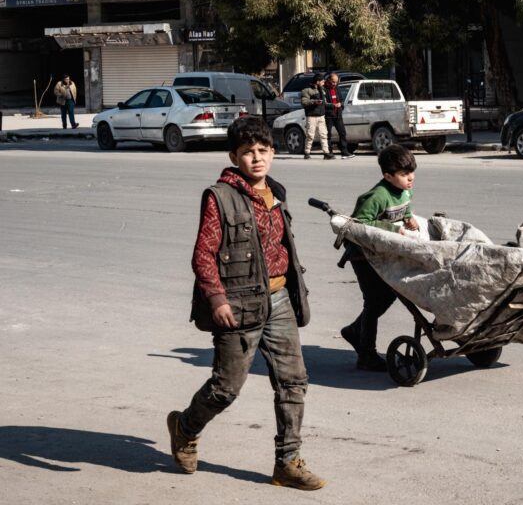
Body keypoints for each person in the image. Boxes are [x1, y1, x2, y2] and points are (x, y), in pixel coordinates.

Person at [167, 116, 325, 491]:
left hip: (280, 298)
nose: (257, 158)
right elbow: (203, 254)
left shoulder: (277, 192)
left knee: (293, 381)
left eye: (263, 150)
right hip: (238, 305)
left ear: (273, 152)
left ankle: (287, 462)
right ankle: (185, 427)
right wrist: (217, 298)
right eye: (248, 152)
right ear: (234, 156)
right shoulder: (219, 197)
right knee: (226, 388)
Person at [339, 145, 420, 371]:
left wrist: (409, 218)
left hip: (382, 252)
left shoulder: (405, 189)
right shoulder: (377, 196)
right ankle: (366, 355)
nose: (410, 178)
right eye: (404, 174)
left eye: (412, 172)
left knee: (387, 296)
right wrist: (394, 230)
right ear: (388, 176)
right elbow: (358, 224)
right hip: (362, 254)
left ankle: (355, 331)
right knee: (374, 300)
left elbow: (404, 206)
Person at [322, 73, 355, 159]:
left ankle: (344, 151)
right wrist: (333, 105)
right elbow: (323, 103)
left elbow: (341, 99)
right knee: (328, 134)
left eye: (336, 82)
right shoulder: (324, 89)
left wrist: (341, 106)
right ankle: (329, 152)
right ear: (329, 80)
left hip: (337, 114)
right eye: (333, 82)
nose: (334, 84)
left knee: (342, 132)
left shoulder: (337, 88)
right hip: (328, 115)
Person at [301, 73, 333, 160]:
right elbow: (304, 102)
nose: (324, 82)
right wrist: (314, 102)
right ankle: (307, 152)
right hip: (311, 116)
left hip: (321, 116)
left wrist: (332, 105)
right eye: (322, 81)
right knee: (310, 135)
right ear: (318, 81)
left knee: (324, 134)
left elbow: (325, 102)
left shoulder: (323, 89)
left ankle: (326, 153)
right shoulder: (307, 90)